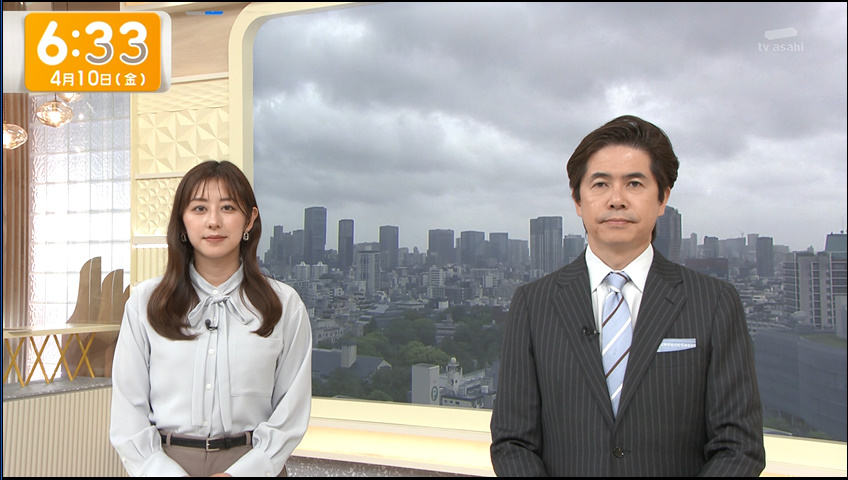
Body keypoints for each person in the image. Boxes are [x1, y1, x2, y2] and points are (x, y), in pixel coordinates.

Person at [490, 115, 765, 476]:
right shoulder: (533, 303)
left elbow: (739, 447)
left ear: (663, 198)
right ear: (578, 200)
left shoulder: (714, 302)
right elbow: (512, 442)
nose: (616, 200)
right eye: (600, 184)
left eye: (634, 183)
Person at [110, 160, 312, 477]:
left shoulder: (284, 304)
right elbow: (128, 410)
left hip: (254, 466)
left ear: (250, 219)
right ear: (182, 220)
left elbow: (292, 408)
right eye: (200, 208)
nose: (214, 222)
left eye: (228, 208)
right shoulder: (145, 302)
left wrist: (244, 473)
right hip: (164, 465)